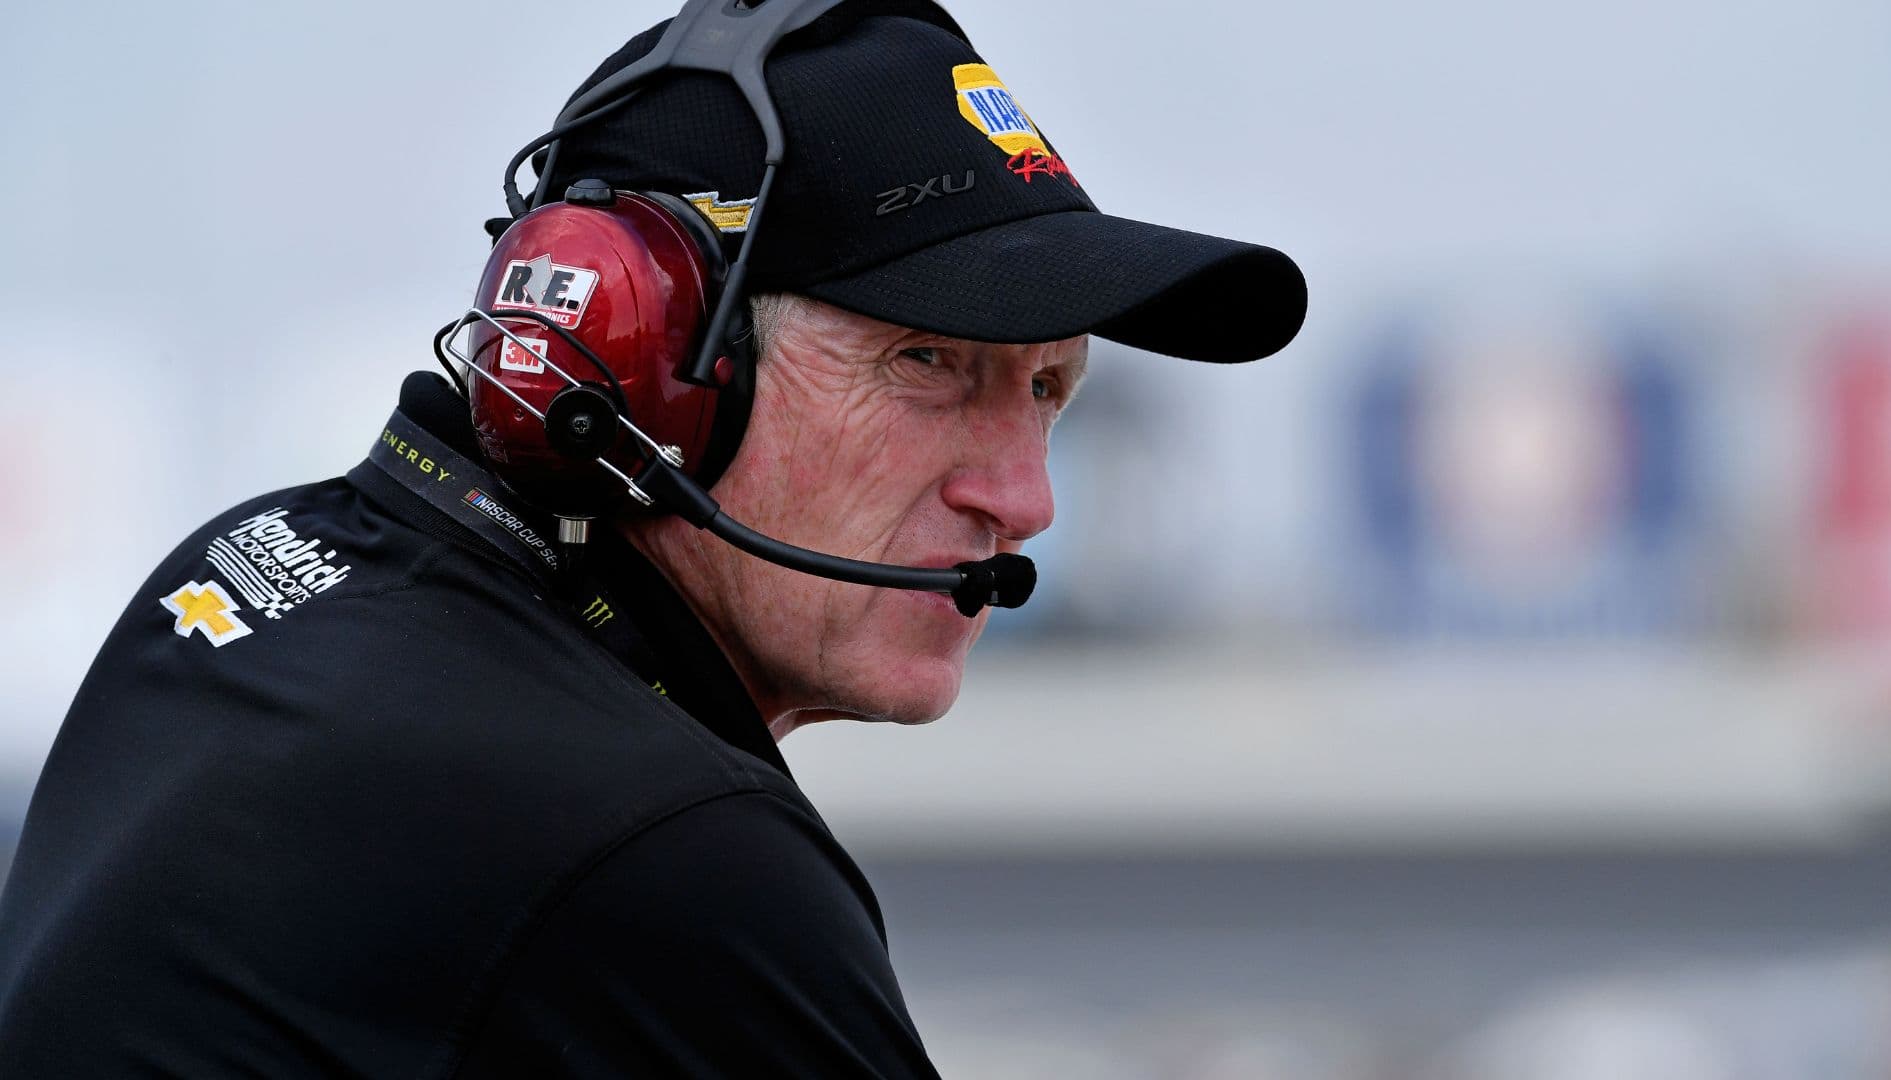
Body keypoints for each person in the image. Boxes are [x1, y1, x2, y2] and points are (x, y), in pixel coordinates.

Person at [0, 1, 1305, 1075]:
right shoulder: (665, 852)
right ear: (639, 364)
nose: (1024, 501)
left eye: (1047, 388)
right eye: (924, 363)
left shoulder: (253, 569)